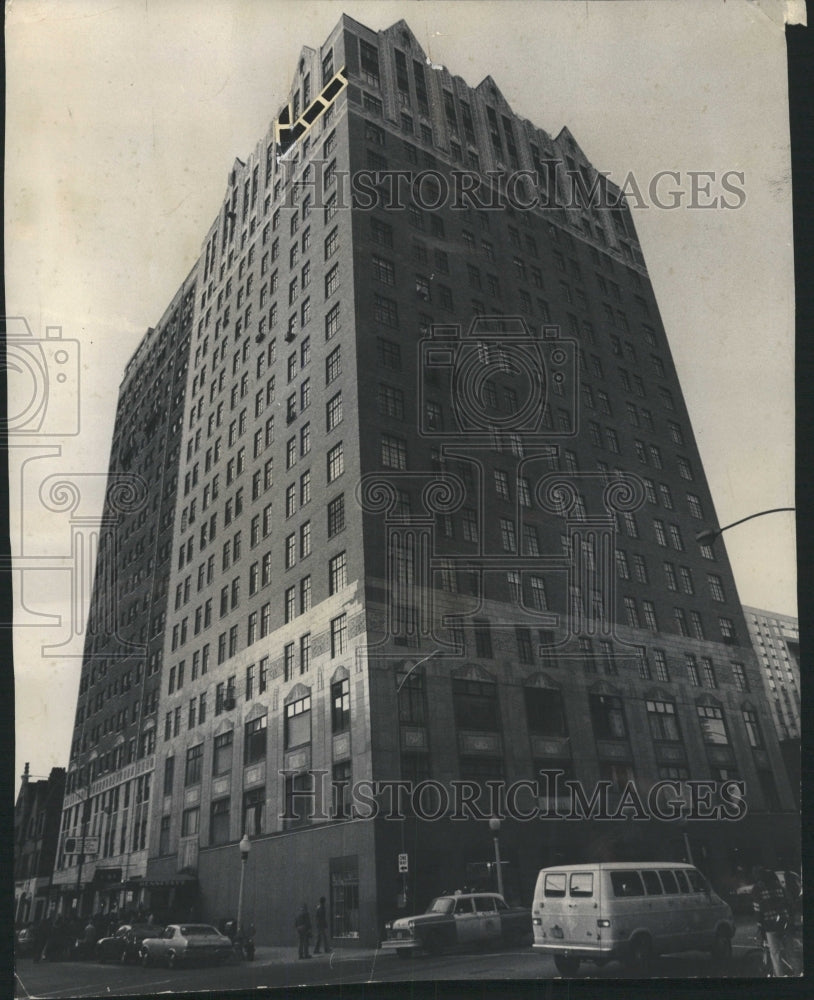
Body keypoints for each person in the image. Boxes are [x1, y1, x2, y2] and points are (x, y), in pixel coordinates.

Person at [751, 867, 792, 976]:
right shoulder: (778, 886)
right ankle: (798, 973)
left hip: (770, 925)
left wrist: (759, 926)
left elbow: (758, 910)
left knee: (775, 954)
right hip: (784, 921)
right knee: (790, 951)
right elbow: (788, 903)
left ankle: (779, 977)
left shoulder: (757, 889)